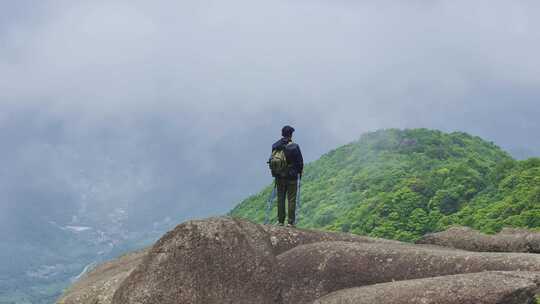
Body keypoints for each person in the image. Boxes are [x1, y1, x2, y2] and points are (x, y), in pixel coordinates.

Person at [271, 125, 303, 227]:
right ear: (291, 135)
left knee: (280, 198)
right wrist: (299, 173)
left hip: (279, 176)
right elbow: (300, 163)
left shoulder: (275, 145)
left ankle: (280, 221)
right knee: (291, 199)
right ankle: (290, 222)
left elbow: (273, 161)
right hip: (292, 177)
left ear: (282, 134)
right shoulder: (294, 147)